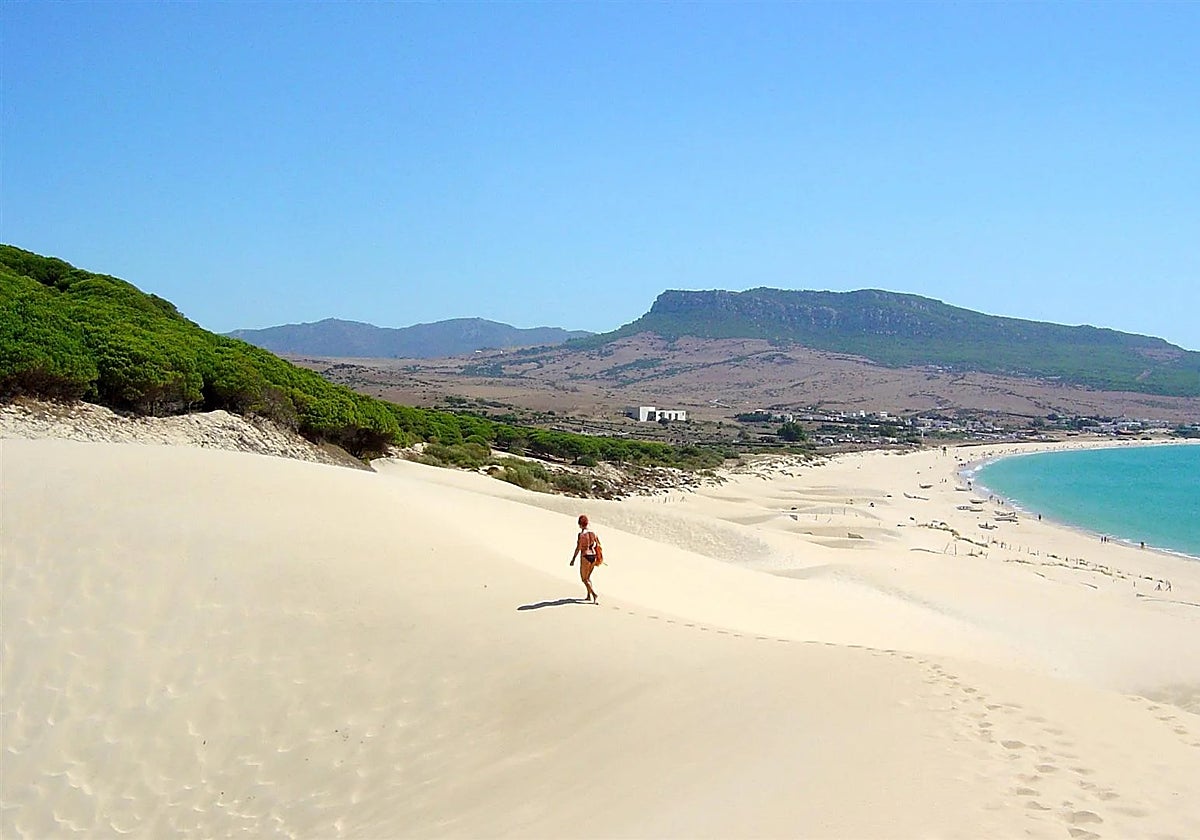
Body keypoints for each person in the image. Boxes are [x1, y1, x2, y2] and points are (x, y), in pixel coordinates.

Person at [570, 514, 600, 604]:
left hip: (585, 556)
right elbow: (598, 544)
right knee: (588, 577)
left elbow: (578, 547)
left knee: (584, 579)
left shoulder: (581, 534)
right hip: (593, 556)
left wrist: (573, 559)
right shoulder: (593, 532)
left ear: (580, 524)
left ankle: (594, 594)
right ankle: (588, 595)